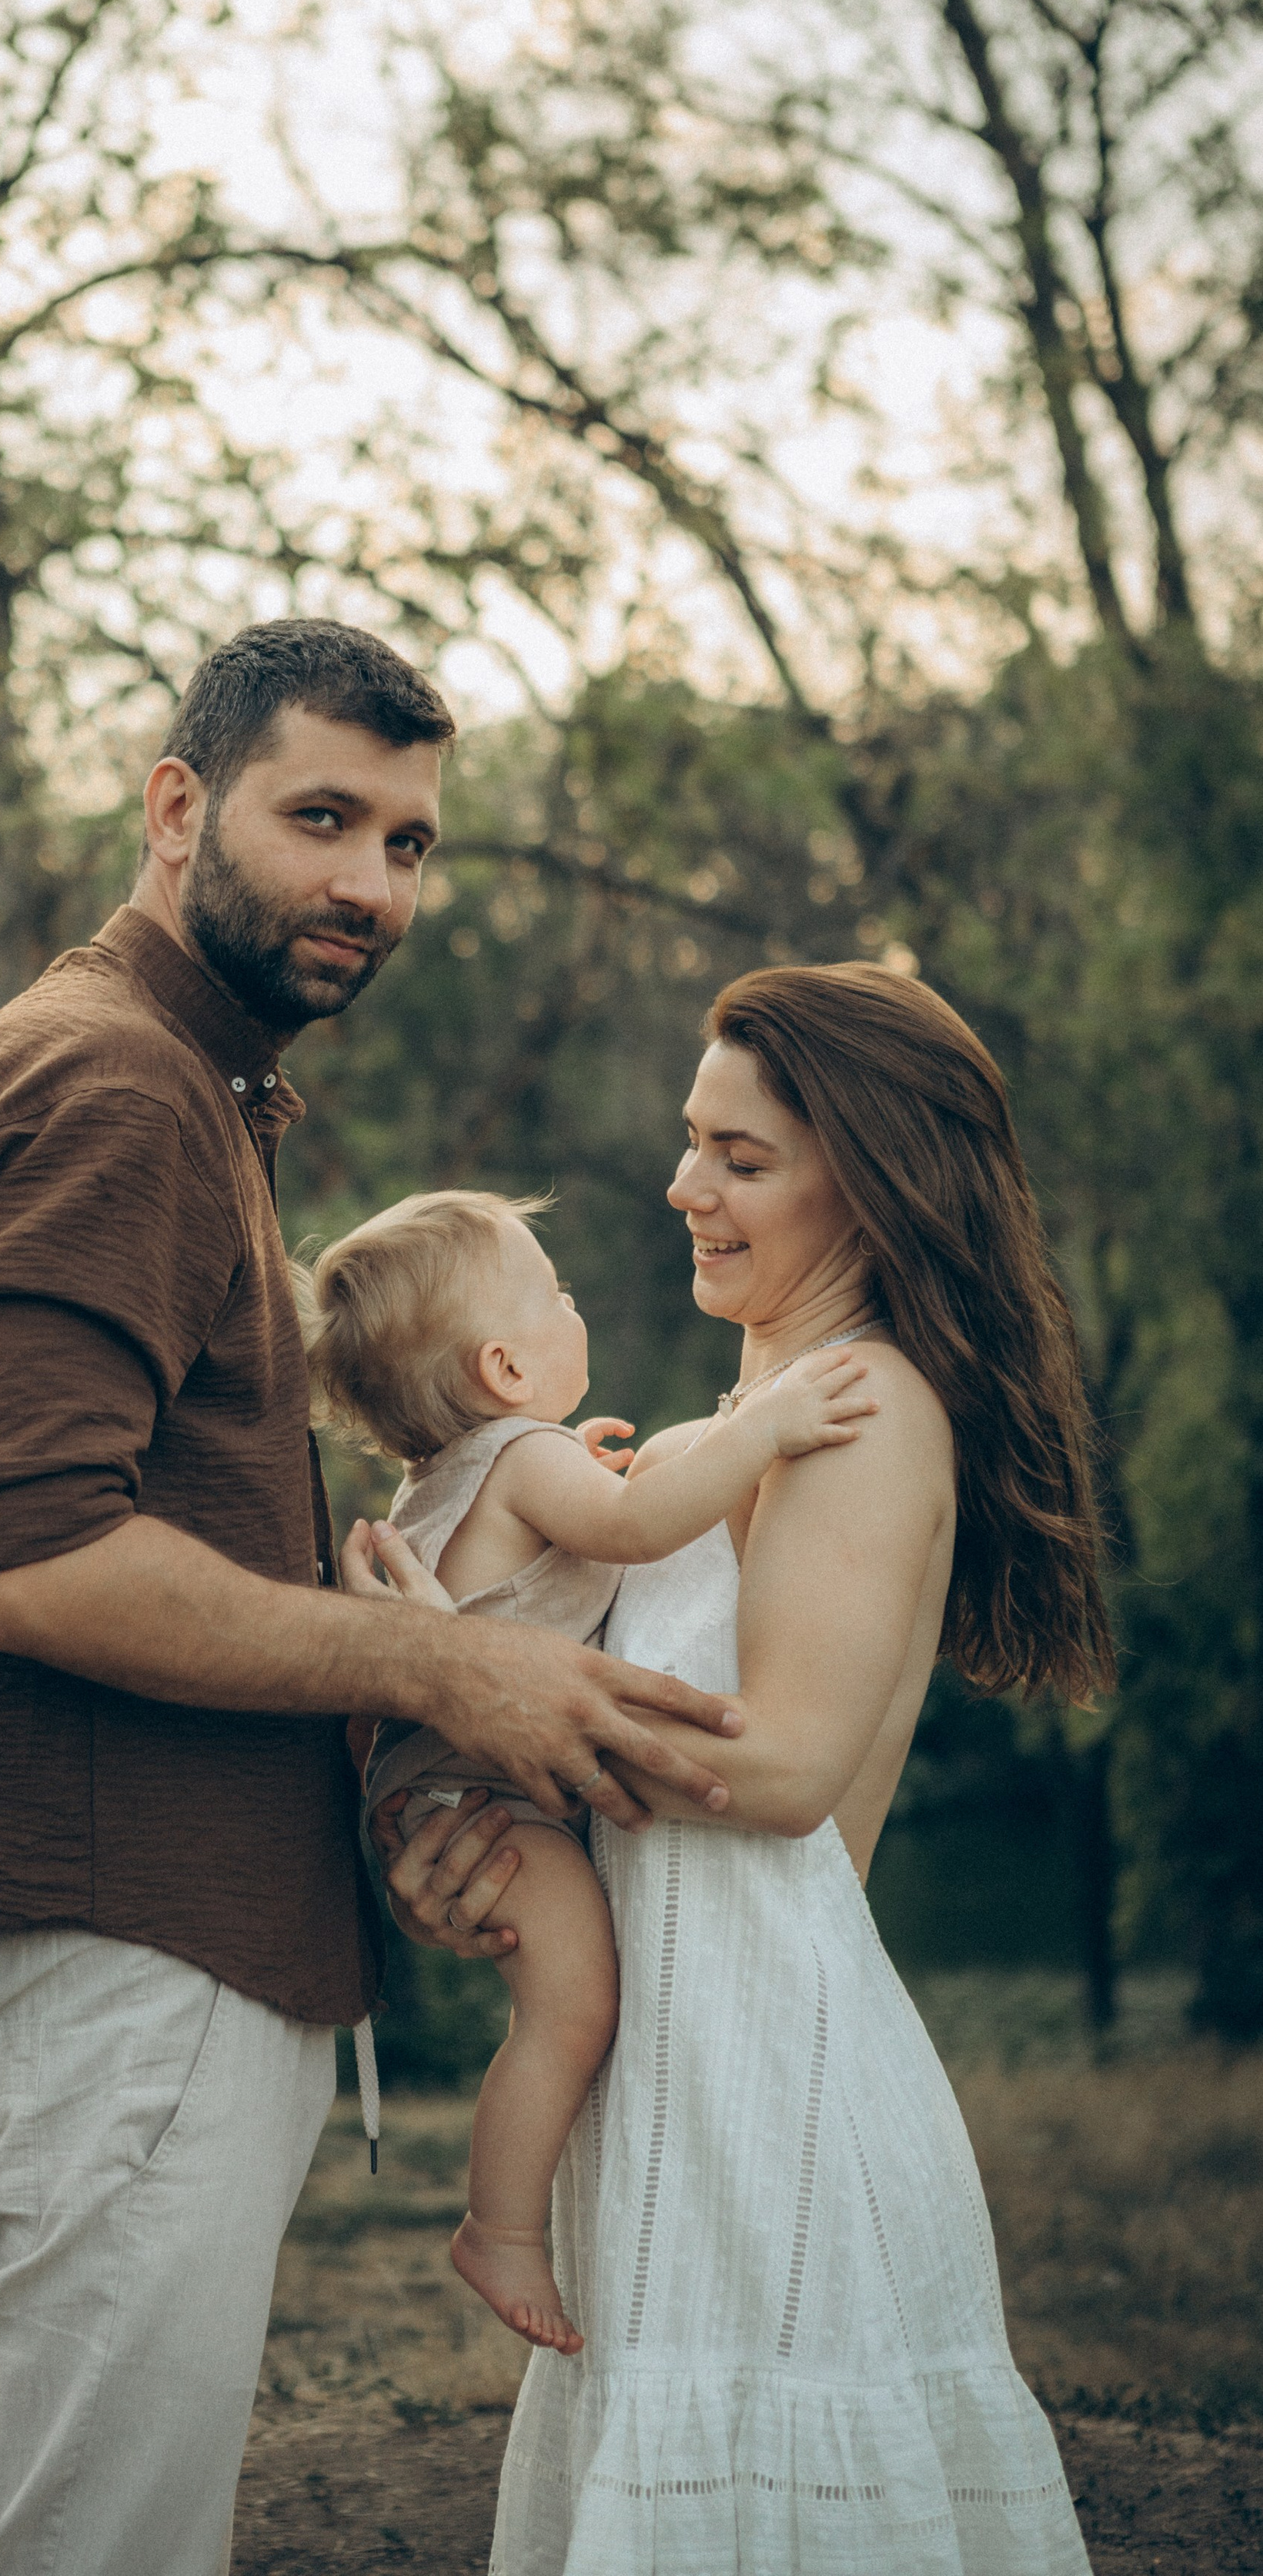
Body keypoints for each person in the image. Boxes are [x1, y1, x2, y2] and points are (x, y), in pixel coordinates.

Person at [0, 620, 747, 2576]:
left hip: (131, 1957)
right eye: (319, 817)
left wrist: (365, 1672)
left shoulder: (165, 1082)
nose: (368, 884)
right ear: (174, 809)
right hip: (107, 1963)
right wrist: (444, 1671)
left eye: (406, 842)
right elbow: (31, 1562)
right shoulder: (114, 1089)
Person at [359, 963, 1110, 2574]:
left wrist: (477, 1685)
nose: (684, 1184)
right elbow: (599, 1756)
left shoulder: (864, 1411)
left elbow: (769, 1775)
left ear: (875, 1181)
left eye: (742, 1158)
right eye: (692, 1141)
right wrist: (467, 1820)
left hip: (774, 2087)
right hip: (684, 2074)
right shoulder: (754, 1414)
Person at [299, 1186, 879, 2357]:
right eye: (554, 1294)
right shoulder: (523, 1458)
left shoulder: (464, 1471)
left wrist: (586, 1478)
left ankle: (506, 2219)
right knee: (576, 2006)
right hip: (475, 1794)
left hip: (436, 1785)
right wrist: (760, 1431)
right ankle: (498, 2228)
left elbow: (564, 1544)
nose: (575, 1306)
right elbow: (643, 1527)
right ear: (508, 1367)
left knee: (572, 2002)